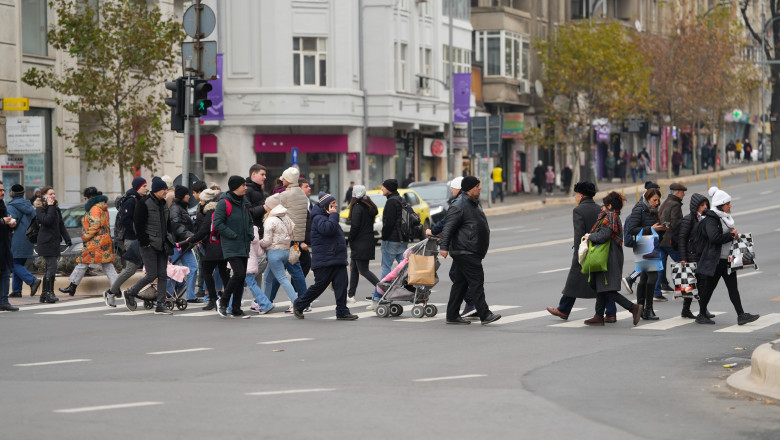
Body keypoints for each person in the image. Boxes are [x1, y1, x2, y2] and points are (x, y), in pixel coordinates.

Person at [547, 181, 617, 322]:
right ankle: (611, 313)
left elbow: (579, 235)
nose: (575, 197)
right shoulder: (600, 209)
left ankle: (563, 309)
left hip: (585, 250)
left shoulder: (578, 210)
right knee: (602, 282)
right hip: (600, 251)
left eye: (576, 194)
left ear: (581, 195)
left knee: (573, 281)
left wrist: (577, 254)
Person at [439, 176, 501, 325]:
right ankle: (485, 314)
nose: (480, 188)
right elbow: (448, 227)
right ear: (469, 188)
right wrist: (444, 246)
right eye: (477, 186)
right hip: (465, 250)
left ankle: (452, 315)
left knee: (460, 284)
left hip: (469, 250)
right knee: (476, 282)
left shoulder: (472, 203)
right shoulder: (459, 204)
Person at [695, 189, 759, 326]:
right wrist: (731, 236)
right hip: (716, 260)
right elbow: (714, 238)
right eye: (728, 203)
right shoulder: (712, 219)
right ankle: (701, 314)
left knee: (731, 288)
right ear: (721, 204)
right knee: (709, 288)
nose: (730, 206)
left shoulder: (724, 218)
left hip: (727, 259)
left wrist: (734, 235)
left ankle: (741, 315)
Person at [292, 192, 358, 320]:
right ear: (325, 206)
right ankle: (299, 304)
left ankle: (342, 311)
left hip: (336, 258)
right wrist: (333, 215)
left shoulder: (328, 216)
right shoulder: (318, 218)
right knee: (319, 286)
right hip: (325, 260)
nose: (336, 206)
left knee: (342, 285)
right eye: (333, 204)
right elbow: (328, 229)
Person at [582, 192, 643, 326]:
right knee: (601, 287)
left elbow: (604, 235)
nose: (602, 207)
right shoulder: (613, 216)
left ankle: (633, 308)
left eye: (604, 205)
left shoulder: (609, 216)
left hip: (608, 257)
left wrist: (589, 236)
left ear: (609, 205)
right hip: (609, 255)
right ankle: (598, 316)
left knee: (608, 289)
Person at [122, 177, 174, 315]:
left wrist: (170, 237)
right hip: (149, 245)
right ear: (157, 190)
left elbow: (167, 223)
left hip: (163, 244)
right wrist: (145, 242)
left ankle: (160, 304)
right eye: (164, 189)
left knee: (163, 275)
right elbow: (137, 225)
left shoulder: (163, 203)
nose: (166, 191)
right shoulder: (144, 203)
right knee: (152, 275)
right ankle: (130, 292)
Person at [58, 187, 119, 304]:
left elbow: (95, 225)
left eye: (85, 198)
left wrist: (85, 236)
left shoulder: (95, 208)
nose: (85, 201)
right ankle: (117, 289)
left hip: (95, 243)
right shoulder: (102, 206)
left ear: (88, 197)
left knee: (83, 262)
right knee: (106, 266)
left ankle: (72, 286)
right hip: (103, 242)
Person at [264, 167, 308, 302]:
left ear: (288, 179)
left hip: (287, 236)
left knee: (294, 269)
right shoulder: (301, 193)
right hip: (296, 236)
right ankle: (268, 299)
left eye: (283, 178)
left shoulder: (285, 195)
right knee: (279, 270)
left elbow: (270, 205)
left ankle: (303, 300)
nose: (281, 180)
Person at [213, 175, 254, 319]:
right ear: (235, 187)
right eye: (243, 185)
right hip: (231, 244)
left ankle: (236, 309)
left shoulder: (244, 203)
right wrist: (232, 234)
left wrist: (250, 234)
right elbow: (218, 224)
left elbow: (249, 221)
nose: (246, 187)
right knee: (239, 273)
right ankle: (223, 302)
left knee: (241, 278)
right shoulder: (224, 203)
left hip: (244, 244)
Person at [626, 187, 668, 320]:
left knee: (644, 278)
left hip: (653, 244)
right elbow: (632, 229)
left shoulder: (655, 211)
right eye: (654, 200)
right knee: (653, 277)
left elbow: (654, 228)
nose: (657, 202)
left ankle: (641, 308)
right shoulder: (639, 209)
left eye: (658, 200)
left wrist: (662, 229)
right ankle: (648, 309)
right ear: (647, 199)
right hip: (644, 245)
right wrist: (651, 228)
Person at [367, 179, 407, 310]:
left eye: (384, 187)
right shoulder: (401, 200)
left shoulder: (391, 202)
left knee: (386, 269)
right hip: (402, 239)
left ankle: (377, 298)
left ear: (389, 188)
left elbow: (388, 223)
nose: (382, 189)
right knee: (405, 268)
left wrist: (384, 238)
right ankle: (411, 290)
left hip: (391, 240)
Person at [187, 188, 229, 311]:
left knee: (206, 271)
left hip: (213, 246)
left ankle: (212, 298)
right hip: (223, 246)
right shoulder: (223, 210)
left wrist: (192, 239)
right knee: (223, 272)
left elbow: (204, 230)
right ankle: (227, 298)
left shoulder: (211, 212)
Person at [107, 177, 147, 304]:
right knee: (130, 269)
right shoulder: (131, 201)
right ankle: (111, 292)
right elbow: (126, 219)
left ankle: (149, 295)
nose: (146, 188)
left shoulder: (139, 200)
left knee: (149, 269)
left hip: (138, 239)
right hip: (131, 239)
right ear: (138, 187)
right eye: (144, 186)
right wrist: (136, 232)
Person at [677, 193, 716, 320]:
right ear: (696, 207)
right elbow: (682, 238)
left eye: (706, 204)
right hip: (691, 255)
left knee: (694, 283)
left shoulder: (707, 218)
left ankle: (686, 310)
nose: (705, 207)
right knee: (699, 284)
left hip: (703, 255)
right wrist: (683, 257)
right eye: (702, 205)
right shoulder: (689, 219)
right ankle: (702, 311)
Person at [259, 195, 299, 312]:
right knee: (267, 278)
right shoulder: (286, 217)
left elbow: (267, 241)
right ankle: (266, 303)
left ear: (271, 206)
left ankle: (296, 302)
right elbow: (292, 233)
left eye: (266, 204)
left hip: (274, 253)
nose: (264, 206)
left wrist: (259, 243)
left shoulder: (270, 220)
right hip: (285, 251)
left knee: (282, 278)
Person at [34, 186, 71, 304]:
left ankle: (45, 293)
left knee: (50, 268)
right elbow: (47, 221)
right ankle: (49, 293)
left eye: (54, 194)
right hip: (45, 242)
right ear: (44, 196)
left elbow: (60, 225)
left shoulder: (55, 208)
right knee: (52, 267)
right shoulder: (40, 208)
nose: (53, 196)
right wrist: (50, 206)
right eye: (50, 194)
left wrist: (67, 239)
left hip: (54, 242)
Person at [346, 184, 380, 303]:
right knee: (354, 269)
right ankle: (351, 296)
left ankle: (383, 289)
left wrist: (349, 238)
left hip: (359, 243)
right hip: (366, 241)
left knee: (363, 270)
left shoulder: (357, 207)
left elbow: (355, 226)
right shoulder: (369, 206)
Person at [7, 184, 41, 298]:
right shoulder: (29, 206)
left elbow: (11, 223)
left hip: (16, 239)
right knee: (18, 263)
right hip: (28, 239)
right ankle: (17, 290)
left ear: (11, 194)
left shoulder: (11, 206)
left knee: (12, 264)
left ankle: (32, 281)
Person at [655, 183, 687, 301]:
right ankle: (684, 290)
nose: (684, 195)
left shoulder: (666, 202)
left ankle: (656, 292)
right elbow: (674, 223)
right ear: (677, 192)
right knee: (681, 262)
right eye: (682, 192)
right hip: (670, 240)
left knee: (660, 266)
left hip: (662, 239)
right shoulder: (675, 205)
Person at [169, 185, 199, 303]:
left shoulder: (182, 208)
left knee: (193, 268)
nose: (189, 196)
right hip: (177, 245)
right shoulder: (175, 208)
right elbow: (177, 226)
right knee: (172, 271)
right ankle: (169, 296)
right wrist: (190, 236)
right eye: (187, 194)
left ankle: (190, 296)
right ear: (182, 196)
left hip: (185, 244)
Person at [247, 224, 275, 314]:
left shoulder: (238, 229)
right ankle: (230, 305)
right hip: (255, 261)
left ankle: (265, 304)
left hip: (245, 262)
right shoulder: (254, 230)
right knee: (240, 284)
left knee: (246, 283)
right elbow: (259, 252)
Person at [0, 182, 19, 311]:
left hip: (4, 245)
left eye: (3, 190)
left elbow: (5, 221)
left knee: (6, 273)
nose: (2, 192)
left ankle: (4, 301)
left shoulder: (2, 205)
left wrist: (11, 224)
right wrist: (2, 221)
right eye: (0, 190)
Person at [298, 178, 314, 277]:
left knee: (303, 266)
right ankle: (296, 291)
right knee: (304, 265)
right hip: (299, 241)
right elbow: (296, 223)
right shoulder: (298, 203)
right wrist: (300, 242)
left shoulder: (308, 202)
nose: (309, 188)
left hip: (306, 240)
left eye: (309, 186)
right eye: (306, 186)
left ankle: (297, 291)